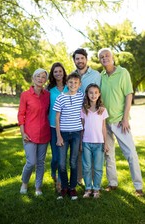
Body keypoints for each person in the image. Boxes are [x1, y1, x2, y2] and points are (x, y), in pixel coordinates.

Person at [98, 47, 143, 196]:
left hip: (120, 122)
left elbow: (128, 95)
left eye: (107, 55)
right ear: (100, 60)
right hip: (105, 122)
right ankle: (112, 183)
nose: (105, 58)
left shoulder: (123, 72)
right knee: (108, 154)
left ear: (113, 57)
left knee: (130, 153)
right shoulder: (101, 76)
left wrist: (125, 118)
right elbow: (100, 97)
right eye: (102, 57)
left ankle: (138, 187)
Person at [18, 68, 50, 196]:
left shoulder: (47, 95)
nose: (40, 79)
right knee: (31, 162)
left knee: (41, 163)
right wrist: (23, 132)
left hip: (44, 133)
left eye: (43, 77)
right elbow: (21, 115)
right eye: (38, 76)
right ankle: (24, 182)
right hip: (29, 134)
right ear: (33, 78)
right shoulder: (25, 95)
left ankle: (38, 186)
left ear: (45, 80)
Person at [72, 48, 101, 185]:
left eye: (82, 58)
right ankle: (79, 178)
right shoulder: (71, 76)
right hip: (76, 117)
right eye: (77, 59)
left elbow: (101, 93)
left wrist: (101, 107)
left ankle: (95, 180)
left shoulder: (96, 75)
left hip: (92, 116)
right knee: (79, 148)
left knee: (94, 146)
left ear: (86, 59)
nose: (80, 61)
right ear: (74, 61)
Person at [53, 72, 83, 200]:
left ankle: (72, 188)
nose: (73, 84)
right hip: (64, 134)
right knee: (61, 163)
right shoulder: (61, 97)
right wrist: (58, 136)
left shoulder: (82, 96)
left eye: (76, 82)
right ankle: (64, 187)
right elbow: (57, 118)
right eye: (70, 82)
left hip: (76, 133)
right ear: (67, 83)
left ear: (79, 84)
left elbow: (90, 107)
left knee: (73, 162)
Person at [81, 84, 109, 198]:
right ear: (87, 94)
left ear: (99, 94)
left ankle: (96, 188)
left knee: (98, 167)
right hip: (86, 142)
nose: (93, 95)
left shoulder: (102, 110)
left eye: (96, 92)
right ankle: (88, 188)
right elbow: (82, 128)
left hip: (99, 143)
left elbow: (104, 127)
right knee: (86, 167)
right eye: (91, 93)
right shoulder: (83, 109)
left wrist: (106, 143)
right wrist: (80, 144)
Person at [48, 62, 68, 193]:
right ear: (52, 74)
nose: (58, 74)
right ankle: (53, 170)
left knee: (62, 157)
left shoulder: (70, 87)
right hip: (53, 126)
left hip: (67, 127)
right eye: (55, 72)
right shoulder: (49, 90)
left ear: (63, 72)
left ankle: (60, 184)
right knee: (56, 157)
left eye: (60, 71)